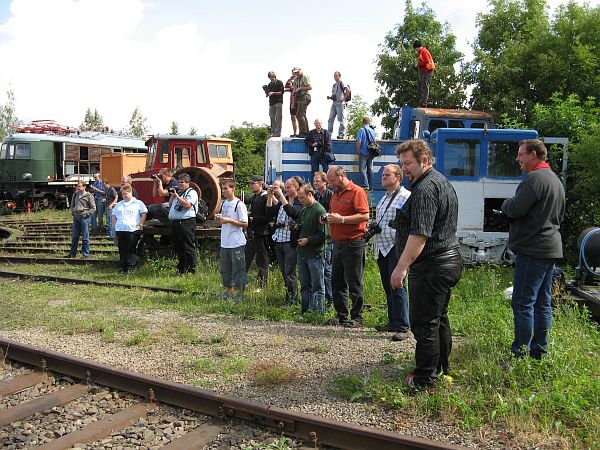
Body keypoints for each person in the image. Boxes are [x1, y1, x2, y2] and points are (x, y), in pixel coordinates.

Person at [391, 139, 462, 388]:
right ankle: (441, 370)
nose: (404, 169)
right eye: (402, 163)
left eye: (408, 163)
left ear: (425, 161)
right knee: (438, 319)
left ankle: (423, 380)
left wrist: (401, 267)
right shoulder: (440, 182)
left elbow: (419, 235)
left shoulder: (425, 189)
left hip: (432, 266)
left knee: (424, 324)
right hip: (446, 261)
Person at [501, 139, 565, 359]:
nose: (518, 159)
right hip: (550, 247)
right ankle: (539, 352)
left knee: (522, 302)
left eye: (521, 154)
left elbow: (516, 208)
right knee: (542, 303)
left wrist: (505, 204)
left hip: (533, 249)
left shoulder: (534, 179)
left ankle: (519, 354)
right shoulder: (555, 180)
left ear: (534, 154)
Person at [324, 166, 369, 327]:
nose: (331, 184)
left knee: (354, 281)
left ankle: (357, 317)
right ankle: (341, 314)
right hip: (338, 242)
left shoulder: (356, 192)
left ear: (342, 175)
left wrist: (341, 220)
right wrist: (328, 218)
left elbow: (364, 215)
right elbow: (332, 212)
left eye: (333, 181)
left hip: (353, 242)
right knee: (337, 281)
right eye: (329, 182)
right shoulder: (335, 194)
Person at [372, 165, 412, 341]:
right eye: (383, 175)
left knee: (398, 285)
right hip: (382, 247)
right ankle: (393, 322)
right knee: (388, 287)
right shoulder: (384, 198)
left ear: (398, 177)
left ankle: (403, 326)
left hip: (396, 246)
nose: (383, 177)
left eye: (387, 175)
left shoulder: (405, 196)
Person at [267, 178, 302, 306]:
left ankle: (293, 300)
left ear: (296, 187)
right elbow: (270, 212)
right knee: (283, 271)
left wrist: (281, 195)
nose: (286, 190)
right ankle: (288, 298)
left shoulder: (299, 201)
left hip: (290, 240)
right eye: (285, 188)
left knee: (290, 272)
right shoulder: (282, 201)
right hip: (279, 239)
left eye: (288, 188)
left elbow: (292, 212)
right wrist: (270, 197)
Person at [296, 184, 328, 314]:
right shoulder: (304, 210)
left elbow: (324, 234)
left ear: (310, 194)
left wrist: (308, 240)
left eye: (302, 197)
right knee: (304, 284)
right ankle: (305, 310)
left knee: (317, 285)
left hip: (315, 254)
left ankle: (318, 312)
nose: (300, 200)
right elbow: (301, 225)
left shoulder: (320, 210)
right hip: (302, 253)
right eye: (298, 198)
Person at [216, 180, 249, 302]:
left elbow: (245, 223)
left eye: (226, 188)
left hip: (236, 242)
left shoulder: (239, 204)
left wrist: (229, 220)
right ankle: (228, 292)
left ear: (233, 188)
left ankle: (240, 293)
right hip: (225, 241)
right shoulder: (224, 203)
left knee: (238, 268)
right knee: (225, 269)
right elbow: (223, 220)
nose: (223, 191)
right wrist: (219, 220)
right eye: (222, 189)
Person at [111, 184, 147, 274]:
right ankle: (122, 266)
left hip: (132, 229)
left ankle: (130, 267)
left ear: (131, 193)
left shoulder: (138, 203)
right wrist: (114, 226)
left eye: (126, 194)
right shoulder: (119, 204)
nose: (124, 196)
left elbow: (144, 213)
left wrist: (141, 224)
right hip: (120, 229)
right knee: (122, 248)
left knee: (130, 248)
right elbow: (114, 215)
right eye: (123, 194)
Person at [168, 174, 198, 275]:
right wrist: (173, 195)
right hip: (175, 223)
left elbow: (187, 204)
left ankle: (191, 269)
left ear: (187, 183)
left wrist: (177, 196)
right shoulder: (179, 193)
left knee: (187, 246)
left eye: (182, 182)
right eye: (179, 182)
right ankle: (181, 269)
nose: (180, 184)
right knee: (178, 247)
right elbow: (170, 204)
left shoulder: (191, 192)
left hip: (186, 222)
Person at [245, 175, 270, 287]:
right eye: (250, 183)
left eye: (252, 183)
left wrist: (254, 218)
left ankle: (262, 284)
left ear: (260, 184)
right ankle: (240, 282)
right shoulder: (255, 197)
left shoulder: (265, 197)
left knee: (262, 260)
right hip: (252, 232)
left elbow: (268, 217)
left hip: (261, 232)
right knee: (246, 258)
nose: (250, 186)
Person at [313, 172, 333, 303]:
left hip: (329, 236)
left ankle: (330, 298)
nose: (315, 183)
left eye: (317, 181)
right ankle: (322, 296)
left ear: (325, 182)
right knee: (320, 267)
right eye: (314, 181)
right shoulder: (315, 196)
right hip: (318, 234)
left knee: (327, 268)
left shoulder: (330, 195)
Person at [69, 181, 96, 258]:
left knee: (85, 236)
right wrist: (73, 211)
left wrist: (86, 214)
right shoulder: (75, 194)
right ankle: (72, 253)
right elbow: (72, 205)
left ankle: (85, 254)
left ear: (84, 187)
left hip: (84, 217)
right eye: (77, 186)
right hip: (76, 217)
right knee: (75, 236)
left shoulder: (89, 196)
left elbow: (93, 208)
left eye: (80, 186)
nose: (78, 187)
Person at [356, 118, 377, 190]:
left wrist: (358, 151)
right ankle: (371, 186)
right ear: (369, 122)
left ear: (363, 122)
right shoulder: (373, 131)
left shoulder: (362, 130)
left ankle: (365, 185)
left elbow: (359, 141)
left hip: (363, 152)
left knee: (362, 170)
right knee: (370, 169)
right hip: (371, 152)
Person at [413, 40, 435, 107]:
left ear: (417, 47)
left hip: (428, 70)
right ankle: (423, 101)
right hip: (424, 71)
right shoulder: (421, 52)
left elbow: (427, 61)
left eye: (415, 49)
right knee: (422, 86)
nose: (415, 50)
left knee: (425, 86)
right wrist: (417, 66)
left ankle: (424, 103)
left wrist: (418, 64)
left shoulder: (424, 51)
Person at [327, 71, 349, 139]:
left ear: (339, 76)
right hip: (334, 103)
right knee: (330, 119)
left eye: (336, 76)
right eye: (334, 76)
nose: (335, 77)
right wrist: (330, 97)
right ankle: (329, 134)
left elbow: (348, 90)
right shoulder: (334, 85)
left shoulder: (342, 83)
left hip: (340, 104)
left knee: (341, 119)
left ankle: (341, 134)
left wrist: (344, 98)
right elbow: (334, 95)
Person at [292, 67, 312, 138]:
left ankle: (303, 133)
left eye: (297, 72)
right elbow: (294, 89)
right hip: (300, 98)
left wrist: (300, 88)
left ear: (300, 70)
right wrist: (293, 102)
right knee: (302, 114)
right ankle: (306, 132)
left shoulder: (304, 76)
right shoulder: (296, 79)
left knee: (299, 114)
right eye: (295, 72)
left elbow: (310, 87)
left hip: (305, 96)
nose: (296, 73)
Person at [266, 71, 284, 137]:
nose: (271, 79)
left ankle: (278, 133)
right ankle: (273, 132)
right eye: (270, 78)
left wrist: (273, 93)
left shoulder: (280, 82)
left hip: (278, 102)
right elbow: (268, 94)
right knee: (272, 117)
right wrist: (266, 91)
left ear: (274, 76)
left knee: (278, 117)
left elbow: (281, 92)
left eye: (272, 77)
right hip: (271, 103)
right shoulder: (269, 84)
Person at [284, 72, 299, 137]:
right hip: (291, 102)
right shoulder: (291, 81)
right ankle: (295, 133)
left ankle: (301, 132)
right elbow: (286, 87)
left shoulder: (300, 81)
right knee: (293, 117)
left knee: (299, 117)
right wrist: (289, 79)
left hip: (298, 102)